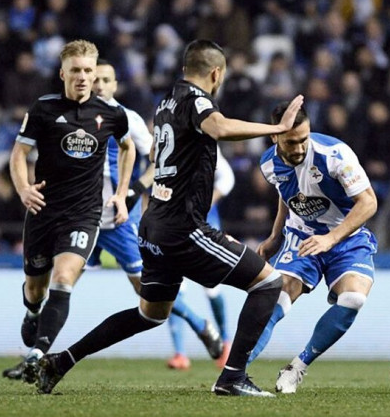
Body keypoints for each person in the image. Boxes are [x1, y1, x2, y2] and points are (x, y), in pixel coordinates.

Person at [35, 39, 304, 397]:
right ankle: (232, 377)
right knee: (268, 284)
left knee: (150, 313)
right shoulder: (198, 100)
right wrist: (277, 130)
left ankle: (61, 361)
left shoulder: (166, 103)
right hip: (185, 228)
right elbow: (219, 128)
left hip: (153, 225)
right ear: (216, 73)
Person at [2, 40, 135, 383]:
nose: (82, 77)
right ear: (63, 73)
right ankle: (33, 312)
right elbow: (18, 154)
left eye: (88, 71)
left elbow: (128, 147)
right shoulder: (44, 109)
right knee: (36, 290)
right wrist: (23, 189)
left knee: (64, 279)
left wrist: (121, 194)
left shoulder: (111, 114)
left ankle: (38, 354)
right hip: (43, 210)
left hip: (84, 214)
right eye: (75, 70)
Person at [86, 59, 223, 362]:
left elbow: (158, 157)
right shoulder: (70, 117)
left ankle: (201, 326)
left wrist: (134, 190)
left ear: (115, 85)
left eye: (105, 80)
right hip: (82, 217)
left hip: (119, 219)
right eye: (94, 79)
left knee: (148, 294)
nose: (98, 85)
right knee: (59, 280)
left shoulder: (127, 119)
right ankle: (36, 352)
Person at [246, 101, 378, 393]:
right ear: (275, 137)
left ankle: (297, 367)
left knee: (354, 299)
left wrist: (331, 239)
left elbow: (368, 202)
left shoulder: (335, 155)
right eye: (291, 142)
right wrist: (275, 235)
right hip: (302, 235)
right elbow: (287, 193)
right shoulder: (268, 163)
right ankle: (235, 373)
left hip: (347, 237)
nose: (299, 148)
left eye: (304, 139)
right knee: (276, 298)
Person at [167, 146, 234, 370]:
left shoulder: (207, 145)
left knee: (211, 285)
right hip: (173, 225)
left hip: (205, 225)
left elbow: (228, 178)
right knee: (174, 285)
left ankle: (225, 344)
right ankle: (179, 353)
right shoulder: (168, 143)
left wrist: (208, 200)